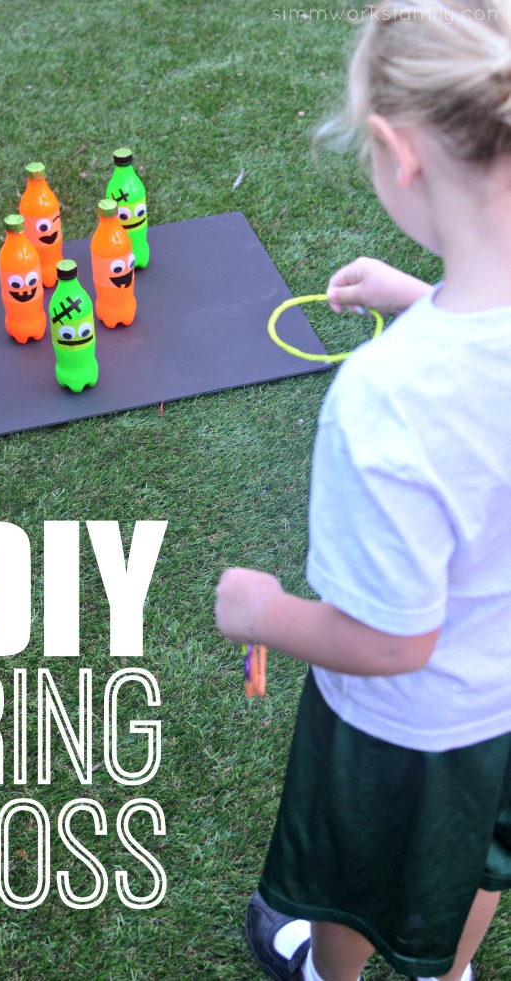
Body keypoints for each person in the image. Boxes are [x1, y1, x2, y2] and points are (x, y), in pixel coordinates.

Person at [215, 2, 511, 980]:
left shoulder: (387, 397)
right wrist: (420, 296)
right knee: (481, 852)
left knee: (347, 870)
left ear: (396, 149)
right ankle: (448, 972)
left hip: (405, 732)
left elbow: (392, 640)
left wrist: (262, 610)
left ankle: (324, 971)